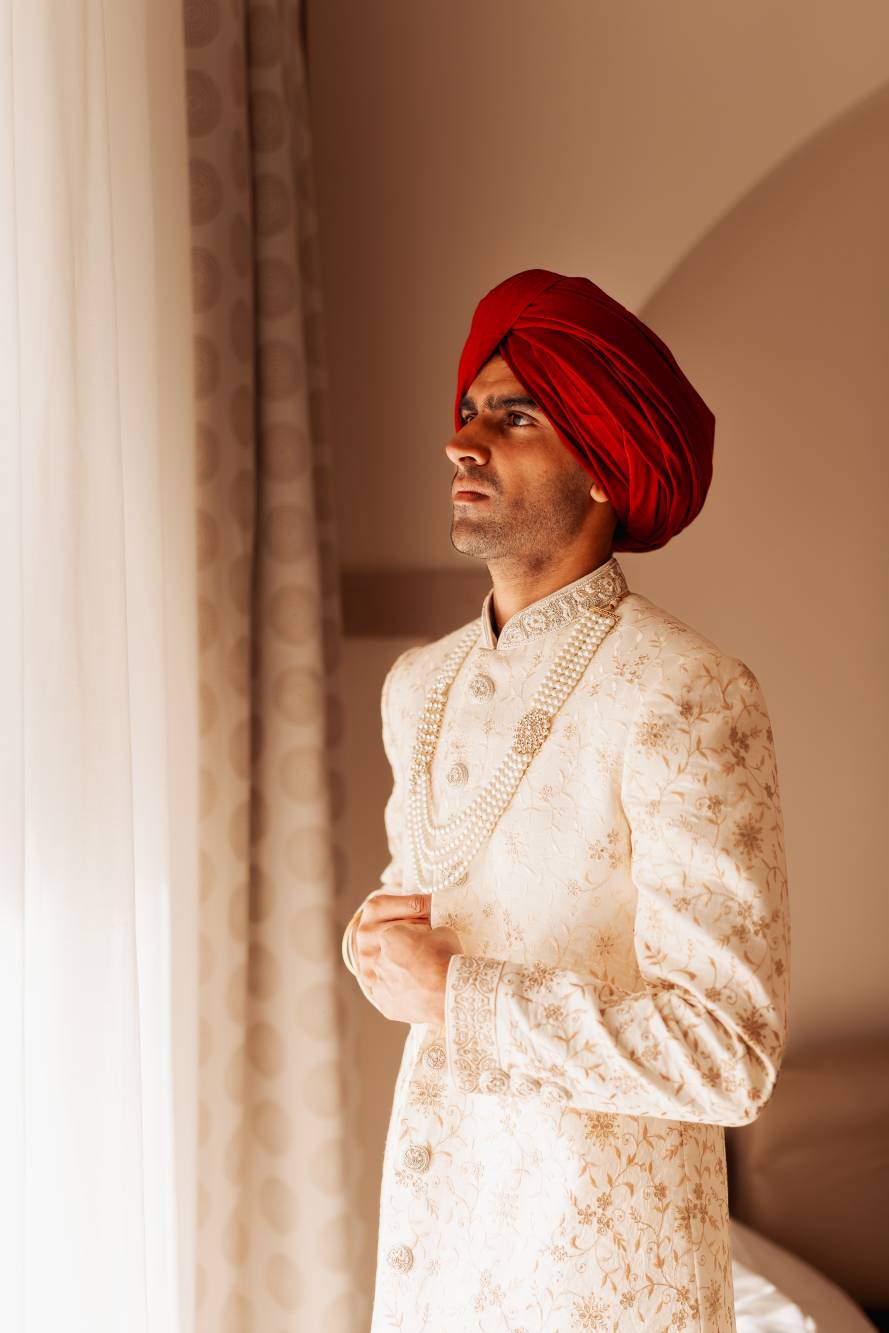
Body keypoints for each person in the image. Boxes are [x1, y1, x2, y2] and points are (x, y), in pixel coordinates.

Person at [342, 268, 790, 1333]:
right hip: (439, 1258)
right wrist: (376, 945)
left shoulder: (686, 692)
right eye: (468, 410)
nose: (461, 442)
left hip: (604, 1288)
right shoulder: (416, 686)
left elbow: (727, 1052)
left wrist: (459, 995)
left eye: (514, 418)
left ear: (602, 465)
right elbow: (439, 920)